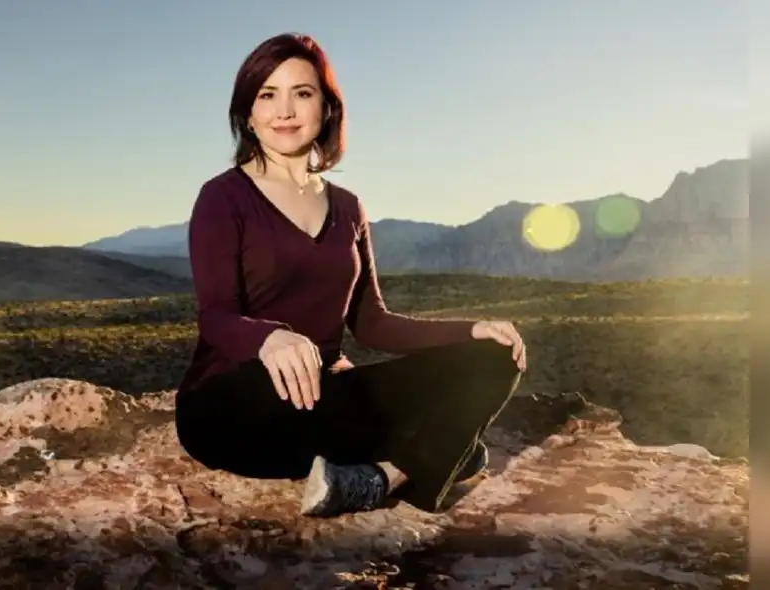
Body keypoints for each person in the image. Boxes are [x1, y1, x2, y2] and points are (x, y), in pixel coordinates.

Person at [173, 32, 527, 518]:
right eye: (267, 95)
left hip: (323, 392)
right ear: (248, 113)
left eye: (302, 93)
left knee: (495, 356)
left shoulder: (348, 207)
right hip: (236, 402)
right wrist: (269, 339)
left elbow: (373, 323)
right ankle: (435, 454)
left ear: (325, 107)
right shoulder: (223, 197)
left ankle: (385, 477)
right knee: (463, 447)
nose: (285, 111)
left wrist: (470, 330)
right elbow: (215, 315)